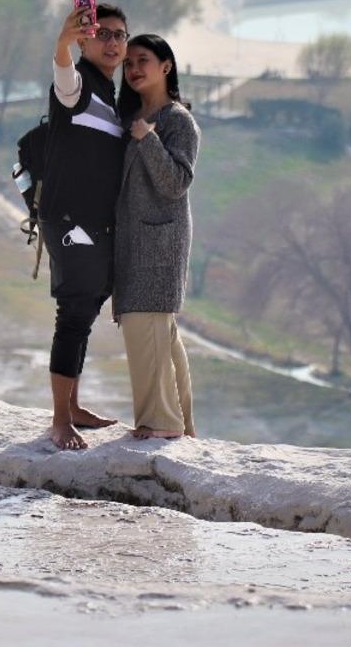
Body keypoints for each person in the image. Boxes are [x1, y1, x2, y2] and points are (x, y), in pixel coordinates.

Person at [42, 0, 130, 450]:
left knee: (88, 308)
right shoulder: (77, 85)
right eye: (103, 34)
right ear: (86, 41)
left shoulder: (112, 94)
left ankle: (73, 406)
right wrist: (63, 42)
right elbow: (63, 73)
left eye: (120, 35)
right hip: (69, 220)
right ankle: (60, 421)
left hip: (95, 223)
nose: (112, 42)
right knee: (74, 312)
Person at [113, 34, 200, 440]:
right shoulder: (131, 117)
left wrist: (147, 139)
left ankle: (160, 423)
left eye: (142, 60)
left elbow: (176, 183)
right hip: (136, 241)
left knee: (144, 324)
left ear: (166, 66)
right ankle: (182, 424)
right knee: (160, 333)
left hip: (159, 244)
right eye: (128, 63)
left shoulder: (177, 120)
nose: (133, 69)